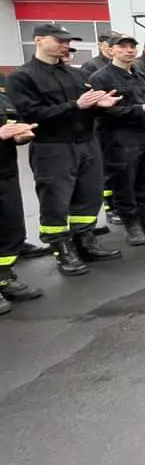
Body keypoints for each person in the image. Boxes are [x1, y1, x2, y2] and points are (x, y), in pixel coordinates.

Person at [6, 24, 123, 275]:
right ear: (38, 40)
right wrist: (75, 105)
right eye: (59, 40)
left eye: (68, 41)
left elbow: (86, 105)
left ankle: (85, 241)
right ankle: (62, 249)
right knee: (56, 202)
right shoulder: (21, 77)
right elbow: (32, 113)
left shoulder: (76, 74)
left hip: (86, 143)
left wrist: (100, 104)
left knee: (89, 196)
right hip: (53, 147)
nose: (65, 45)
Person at [89, 34, 145, 245]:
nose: (129, 50)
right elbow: (106, 112)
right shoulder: (101, 77)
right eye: (123, 47)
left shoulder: (140, 75)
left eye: (132, 47)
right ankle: (131, 224)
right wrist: (143, 108)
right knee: (125, 181)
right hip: (120, 136)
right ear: (111, 50)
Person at [0, 81, 43, 313]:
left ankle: (3, 278)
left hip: (5, 172)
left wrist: (20, 135)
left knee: (11, 230)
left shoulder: (2, 98)